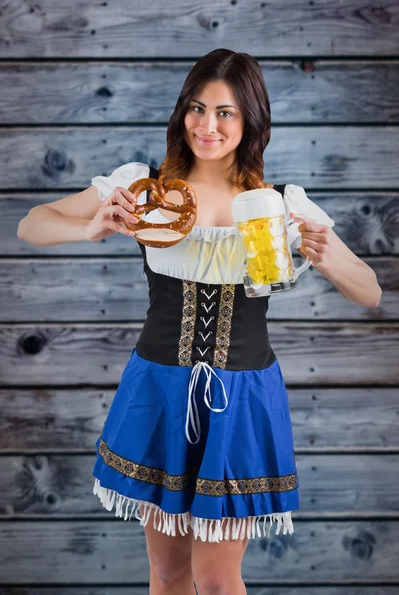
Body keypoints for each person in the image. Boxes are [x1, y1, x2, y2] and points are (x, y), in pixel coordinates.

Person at [17, 49, 382, 595]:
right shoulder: (146, 188)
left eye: (225, 112)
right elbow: (31, 224)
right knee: (167, 573)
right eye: (196, 107)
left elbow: (370, 291)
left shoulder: (277, 204)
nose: (207, 125)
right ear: (182, 111)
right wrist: (90, 228)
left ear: (250, 118)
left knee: (216, 580)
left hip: (241, 396)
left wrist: (326, 256)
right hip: (159, 390)